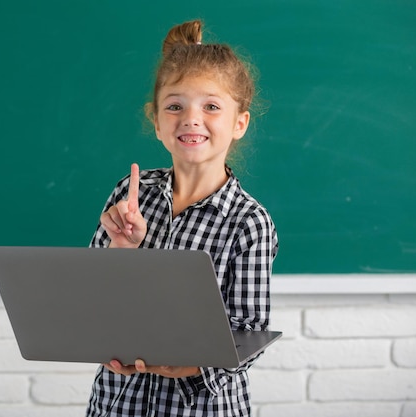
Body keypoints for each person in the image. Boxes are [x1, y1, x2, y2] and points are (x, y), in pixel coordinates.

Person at [85, 19, 278, 417]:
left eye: (211, 106)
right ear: (156, 121)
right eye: (175, 106)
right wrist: (123, 249)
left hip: (201, 407)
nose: (191, 119)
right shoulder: (130, 195)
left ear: (239, 123)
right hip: (119, 403)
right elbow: (91, 301)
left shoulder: (249, 222)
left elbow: (247, 331)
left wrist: (189, 366)